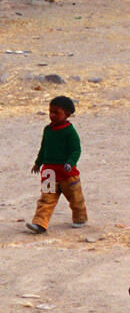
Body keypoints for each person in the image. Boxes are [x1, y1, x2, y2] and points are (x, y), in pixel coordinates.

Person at [27, 95, 87, 234]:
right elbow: (43, 148)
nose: (52, 115)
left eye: (56, 112)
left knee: (76, 199)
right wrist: (38, 163)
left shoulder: (69, 132)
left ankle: (80, 218)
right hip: (49, 172)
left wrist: (70, 163)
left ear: (67, 114)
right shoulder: (47, 130)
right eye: (50, 111)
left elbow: (76, 150)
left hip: (67, 174)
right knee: (46, 200)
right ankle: (40, 224)